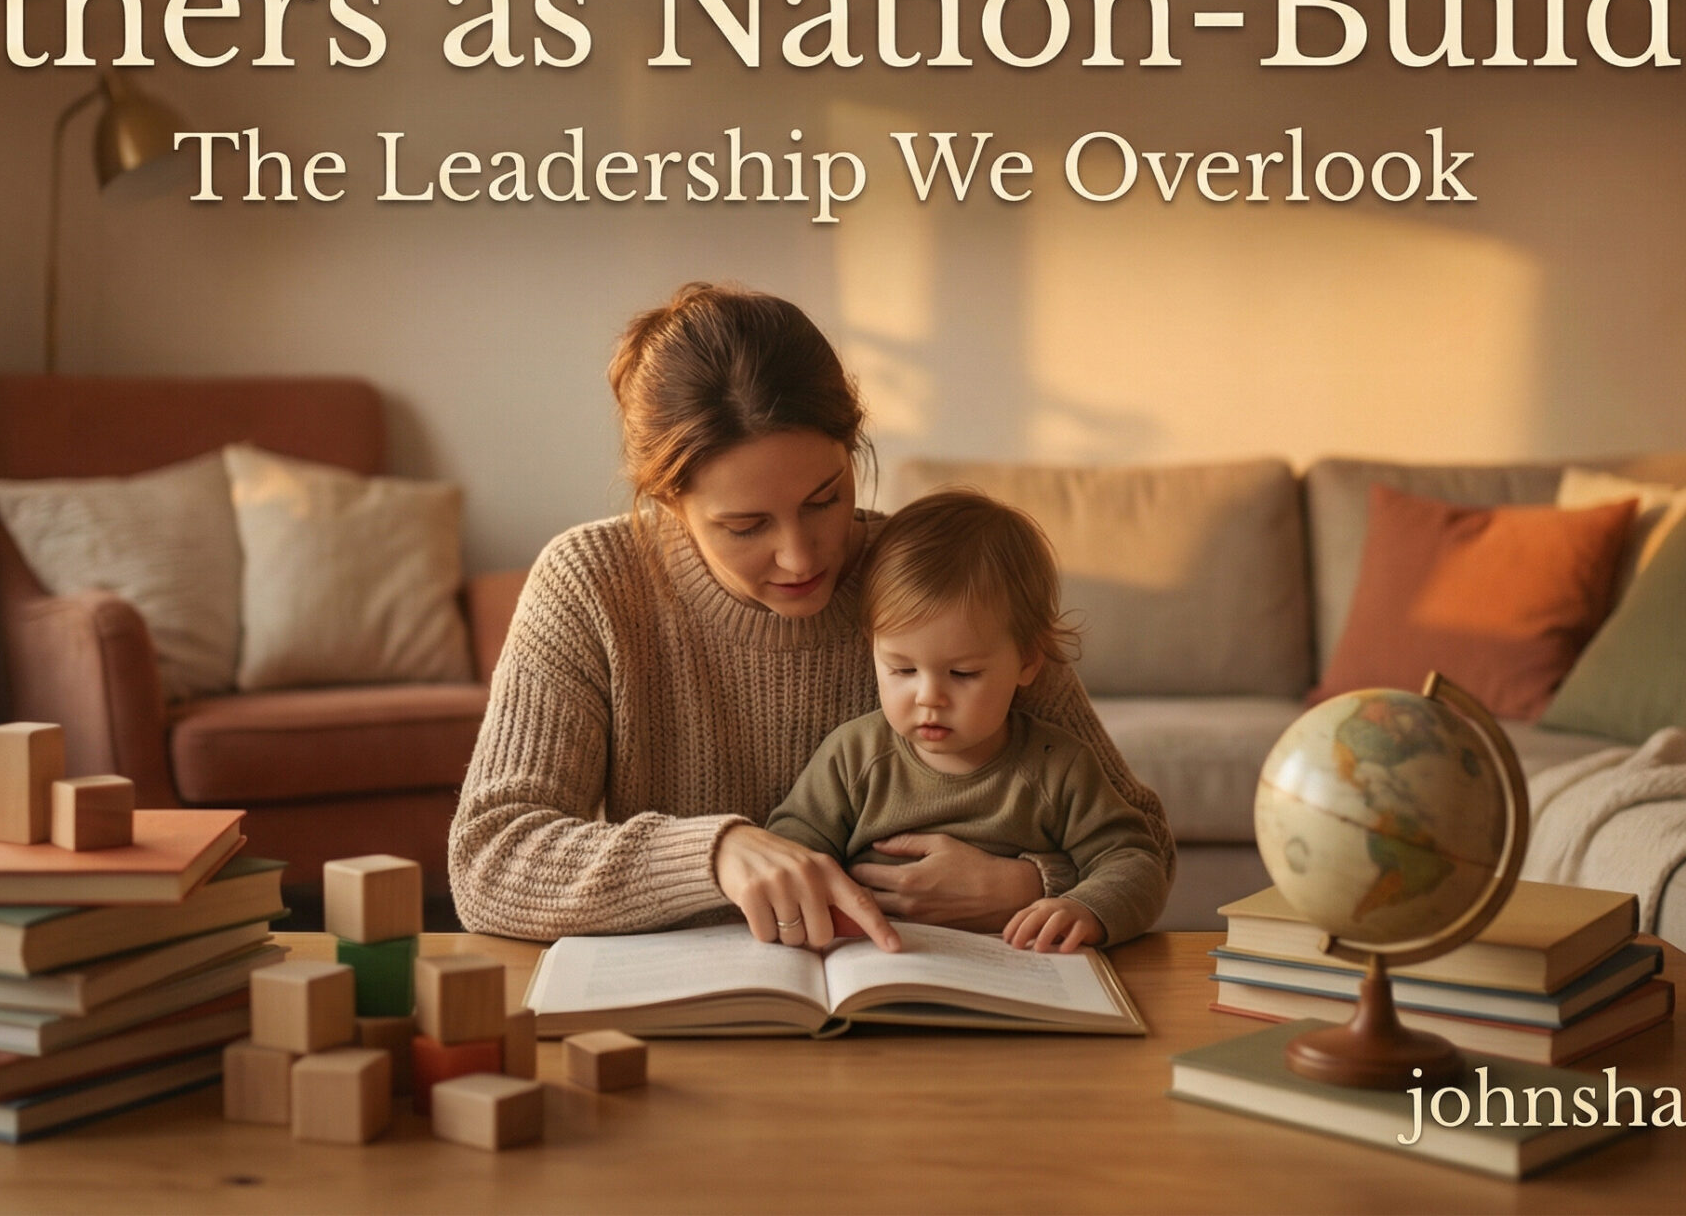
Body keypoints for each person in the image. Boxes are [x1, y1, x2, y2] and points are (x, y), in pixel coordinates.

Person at [448, 281, 1172, 952]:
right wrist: (715, 851)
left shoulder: (939, 583)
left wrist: (1026, 885)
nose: (799, 556)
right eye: (746, 524)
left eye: (825, 499)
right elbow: (490, 857)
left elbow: (1143, 842)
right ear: (668, 502)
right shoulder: (591, 584)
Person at [766, 490, 1165, 952]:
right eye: (902, 669)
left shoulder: (1058, 768)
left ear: (1028, 661)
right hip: (878, 963)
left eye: (963, 673)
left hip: (1014, 972)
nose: (929, 697)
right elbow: (789, 847)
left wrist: (1087, 908)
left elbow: (1135, 861)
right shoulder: (854, 755)